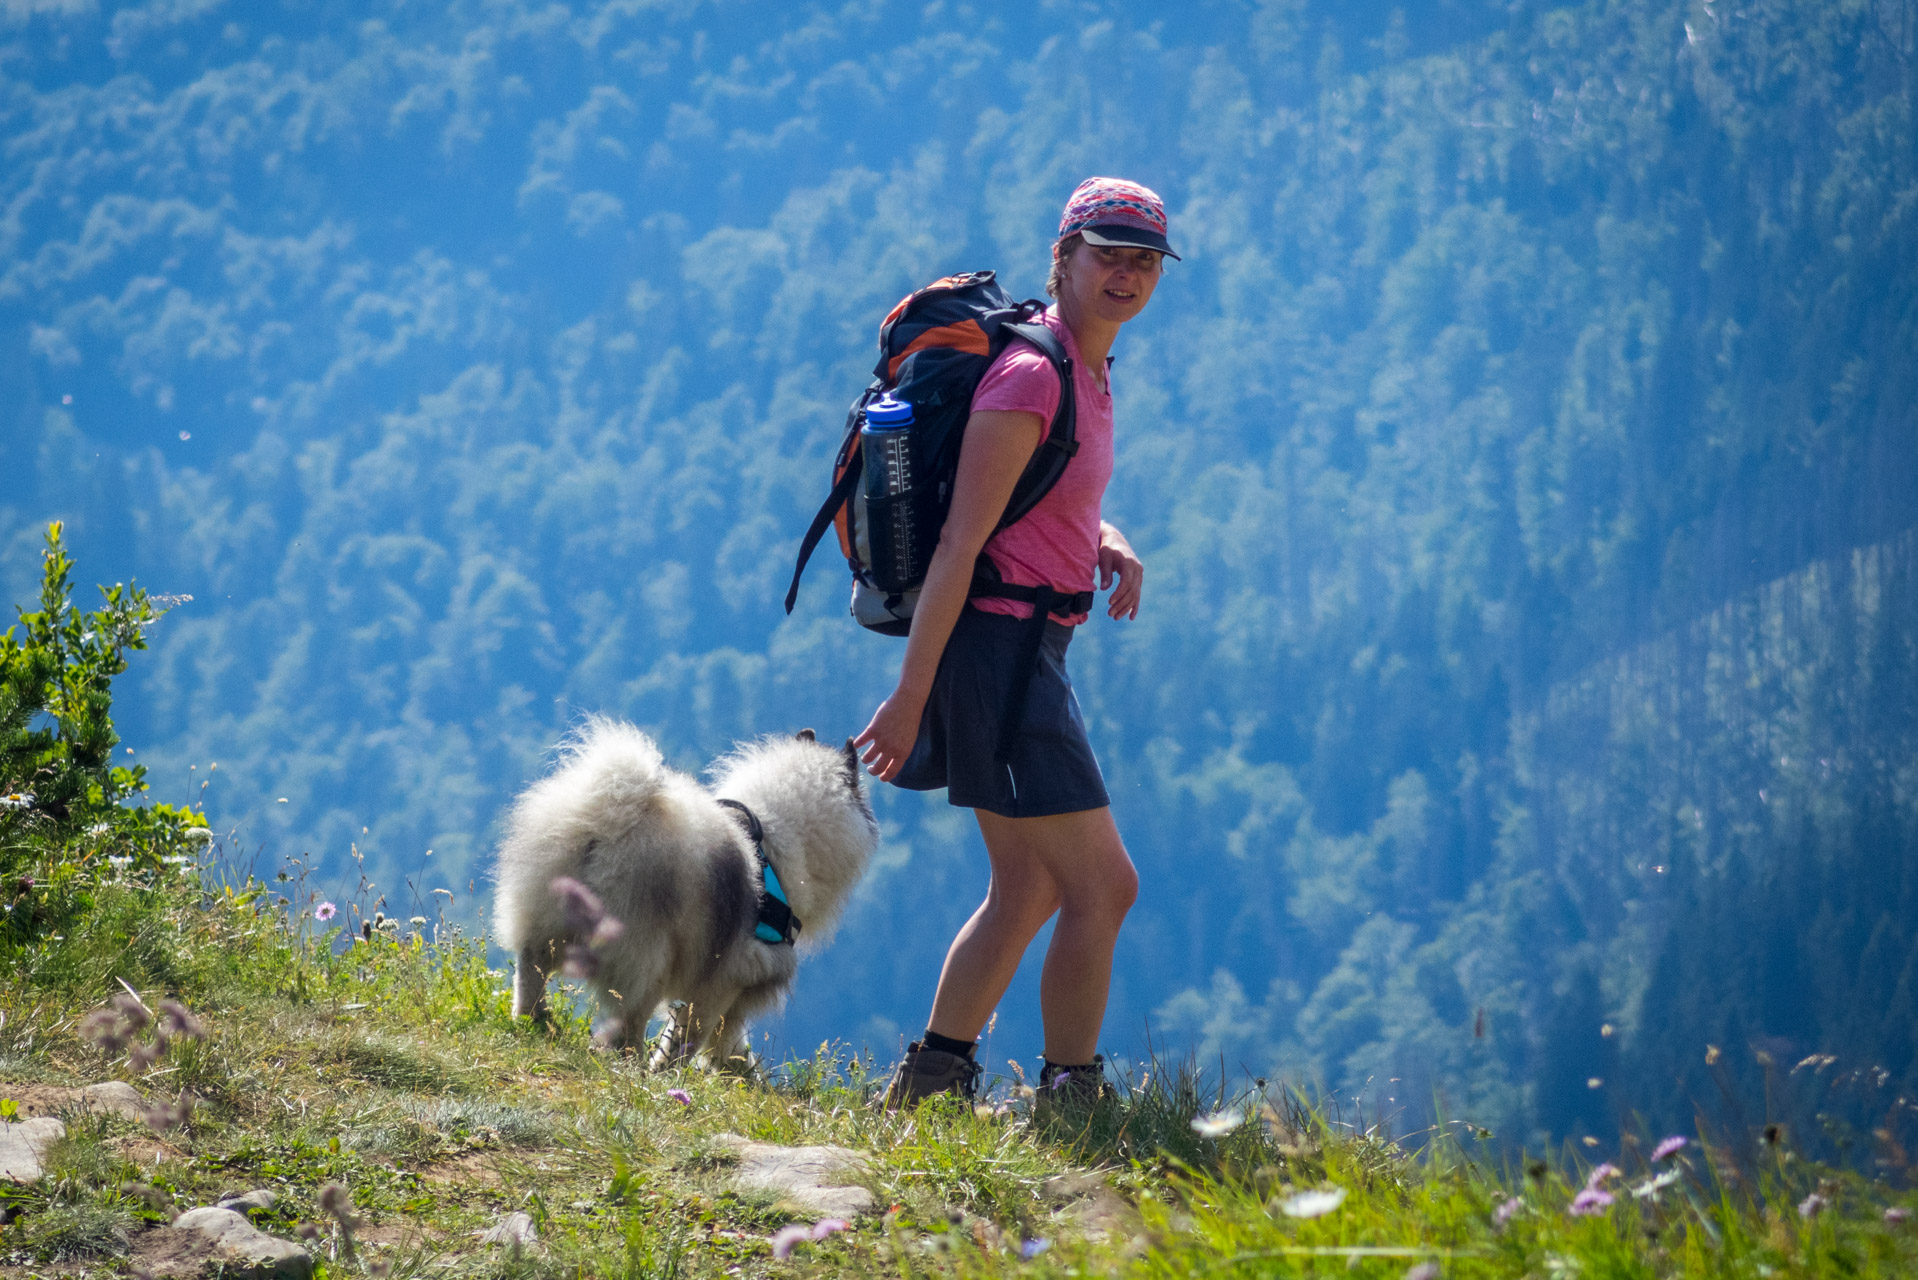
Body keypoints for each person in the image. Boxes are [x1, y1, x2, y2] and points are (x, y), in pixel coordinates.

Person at [853, 177, 1177, 1106]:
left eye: (1144, 259)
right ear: (1062, 258)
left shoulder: (1088, 366)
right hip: (996, 650)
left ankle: (932, 1080)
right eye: (1107, 254)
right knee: (1106, 888)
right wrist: (913, 697)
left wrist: (1106, 538)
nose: (1126, 274)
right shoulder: (1033, 374)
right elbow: (961, 540)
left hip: (1028, 646)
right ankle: (1071, 1094)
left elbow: (1043, 494)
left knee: (1029, 885)